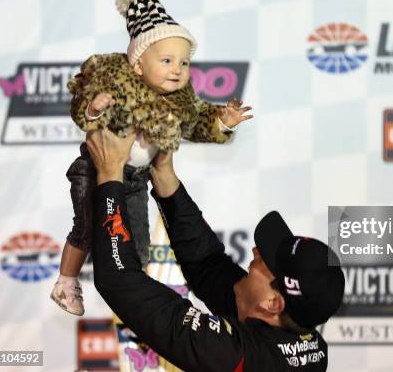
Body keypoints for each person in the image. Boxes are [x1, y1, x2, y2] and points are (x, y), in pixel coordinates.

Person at [50, 0, 253, 316]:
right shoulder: (113, 81)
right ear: (139, 63)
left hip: (135, 179)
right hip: (93, 168)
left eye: (184, 63)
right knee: (86, 229)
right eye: (167, 61)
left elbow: (198, 119)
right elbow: (81, 107)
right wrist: (94, 108)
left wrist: (222, 121)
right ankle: (65, 282)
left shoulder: (180, 101)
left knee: (137, 246)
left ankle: (134, 299)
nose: (178, 70)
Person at [86, 128, 345, 371]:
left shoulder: (233, 355)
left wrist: (109, 178)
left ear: (273, 302)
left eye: (265, 261)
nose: (255, 252)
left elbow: (120, 282)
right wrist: (164, 175)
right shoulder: (304, 337)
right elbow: (207, 265)